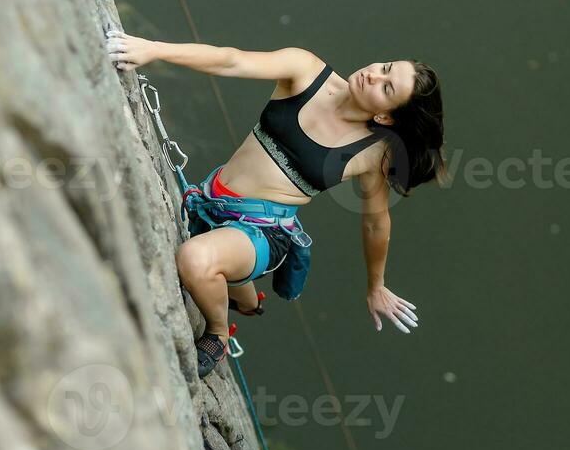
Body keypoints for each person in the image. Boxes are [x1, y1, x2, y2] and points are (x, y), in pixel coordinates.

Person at [106, 32, 447, 377]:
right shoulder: (307, 70)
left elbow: (376, 222)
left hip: (263, 232)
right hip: (212, 201)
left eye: (387, 88)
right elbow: (231, 59)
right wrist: (154, 49)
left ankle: (219, 333)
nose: (374, 75)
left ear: (387, 118)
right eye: (385, 67)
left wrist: (376, 286)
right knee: (218, 259)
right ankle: (248, 301)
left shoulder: (372, 152)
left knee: (195, 260)